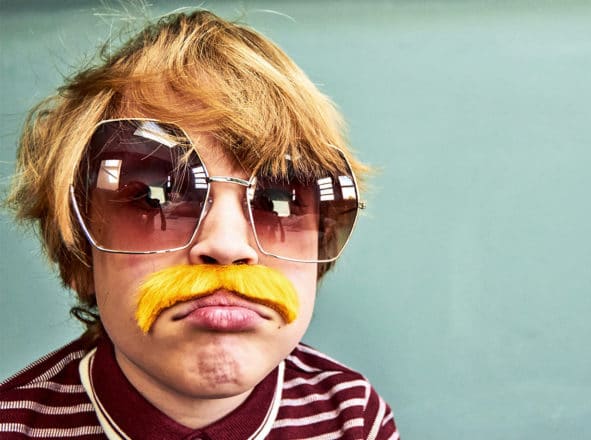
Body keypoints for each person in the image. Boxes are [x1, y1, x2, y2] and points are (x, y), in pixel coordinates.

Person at [0, 9, 399, 439]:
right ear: (80, 248)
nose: (227, 247)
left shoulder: (353, 419)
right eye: (156, 198)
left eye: (279, 202)